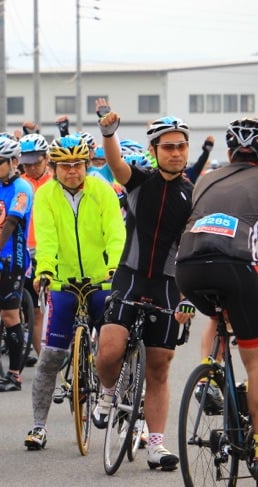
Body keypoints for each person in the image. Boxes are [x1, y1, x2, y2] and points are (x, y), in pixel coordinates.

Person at [93, 98, 195, 471]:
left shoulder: (192, 194)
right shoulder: (139, 181)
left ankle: (156, 445)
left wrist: (187, 298)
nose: (176, 152)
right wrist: (109, 134)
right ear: (154, 151)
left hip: (167, 285)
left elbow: (192, 248)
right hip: (130, 277)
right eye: (168, 146)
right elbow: (115, 163)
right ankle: (106, 394)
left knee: (159, 368)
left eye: (182, 145)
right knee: (109, 350)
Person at [24, 134, 125, 451]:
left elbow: (115, 232)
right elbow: (47, 238)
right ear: (54, 167)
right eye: (65, 166)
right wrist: (45, 270)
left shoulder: (101, 190)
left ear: (86, 164)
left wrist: (114, 267)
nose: (72, 172)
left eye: (78, 165)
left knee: (115, 351)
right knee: (51, 356)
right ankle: (39, 426)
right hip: (63, 283)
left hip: (102, 282)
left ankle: (119, 409)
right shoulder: (46, 195)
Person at [175, 117, 258, 476]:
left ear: (229, 152)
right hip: (236, 267)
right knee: (256, 363)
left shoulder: (206, 179)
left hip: (190, 269)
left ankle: (210, 375)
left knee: (219, 311)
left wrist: (182, 297)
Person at [0, 136, 34, 392]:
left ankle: (14, 374)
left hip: (12, 259)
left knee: (9, 314)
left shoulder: (23, 188)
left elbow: (11, 223)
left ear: (14, 162)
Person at [18, 133, 53, 365]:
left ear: (47, 159)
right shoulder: (20, 184)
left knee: (45, 310)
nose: (30, 167)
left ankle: (49, 359)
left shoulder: (56, 182)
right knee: (29, 311)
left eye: (36, 162)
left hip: (48, 250)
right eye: (26, 163)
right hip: (23, 250)